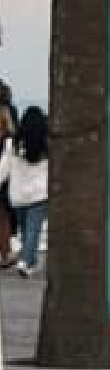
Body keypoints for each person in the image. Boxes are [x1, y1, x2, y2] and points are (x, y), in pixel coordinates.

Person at [0, 106, 48, 277]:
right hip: (39, 193)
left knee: (25, 229)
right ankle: (26, 261)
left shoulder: (12, 144)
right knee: (33, 230)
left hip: (18, 194)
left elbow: (4, 168)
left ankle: (30, 261)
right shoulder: (47, 144)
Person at [0, 82, 16, 268]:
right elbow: (12, 134)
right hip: (3, 170)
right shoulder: (7, 113)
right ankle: (5, 252)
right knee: (3, 213)